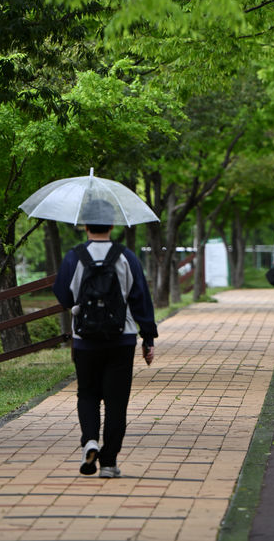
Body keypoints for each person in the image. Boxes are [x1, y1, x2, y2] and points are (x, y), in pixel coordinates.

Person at [53, 198, 158, 478]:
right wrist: (148, 338)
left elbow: (63, 295)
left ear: (84, 224)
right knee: (116, 402)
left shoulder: (74, 257)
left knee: (87, 393)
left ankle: (89, 440)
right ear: (113, 224)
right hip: (121, 339)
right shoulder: (127, 257)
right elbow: (140, 301)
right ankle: (109, 463)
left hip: (85, 339)